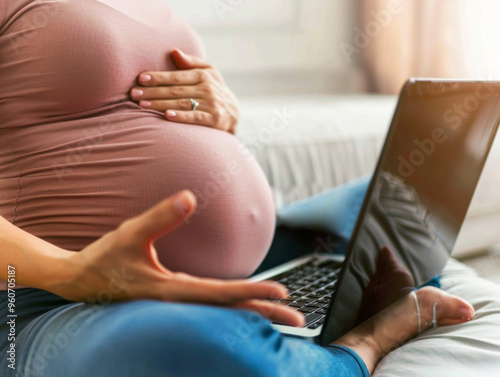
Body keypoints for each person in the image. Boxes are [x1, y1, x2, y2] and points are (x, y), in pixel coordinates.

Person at [0, 1, 475, 376]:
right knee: (189, 349)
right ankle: (363, 344)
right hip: (49, 302)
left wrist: (224, 119)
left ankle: (302, 313)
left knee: (394, 203)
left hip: (242, 268)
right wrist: (70, 270)